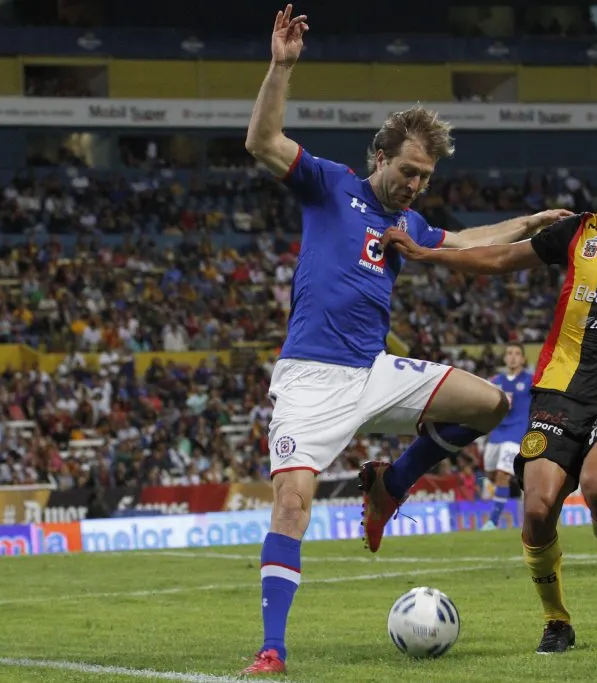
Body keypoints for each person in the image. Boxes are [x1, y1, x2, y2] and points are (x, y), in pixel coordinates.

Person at [239, 5, 572, 675]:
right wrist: (280, 67)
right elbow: (262, 142)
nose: (415, 184)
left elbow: (466, 241)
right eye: (409, 171)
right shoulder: (330, 184)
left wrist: (533, 222)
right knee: (292, 501)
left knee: (488, 403)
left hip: (374, 368)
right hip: (311, 377)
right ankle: (273, 647)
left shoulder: (409, 223)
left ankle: (391, 483)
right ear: (380, 156)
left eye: (425, 177)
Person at [381, 134, 597, 653]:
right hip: (559, 390)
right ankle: (557, 621)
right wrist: (428, 254)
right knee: (537, 509)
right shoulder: (582, 232)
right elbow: (501, 259)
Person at [481, 343, 534, 531]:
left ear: (523, 359)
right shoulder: (495, 381)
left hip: (517, 434)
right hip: (496, 434)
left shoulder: (530, 380)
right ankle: (520, 480)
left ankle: (492, 522)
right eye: (509, 353)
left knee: (502, 475)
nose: (513, 357)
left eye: (517, 354)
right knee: (490, 475)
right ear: (504, 358)